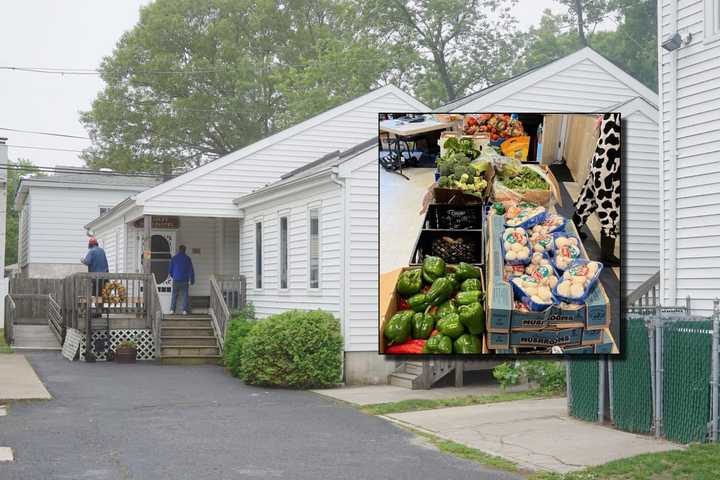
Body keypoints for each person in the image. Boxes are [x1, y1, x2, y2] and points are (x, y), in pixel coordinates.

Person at [572, 113, 621, 267]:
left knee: (588, 197)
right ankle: (607, 254)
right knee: (610, 207)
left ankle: (574, 228)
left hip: (599, 161)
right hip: (611, 167)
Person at [169, 245, 195, 315]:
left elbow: (170, 270)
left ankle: (172, 310)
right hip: (184, 280)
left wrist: (173, 276)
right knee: (185, 295)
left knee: (174, 295)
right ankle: (184, 310)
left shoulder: (174, 258)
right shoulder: (187, 259)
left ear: (179, 249)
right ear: (185, 250)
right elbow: (190, 270)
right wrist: (191, 280)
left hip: (176, 279)